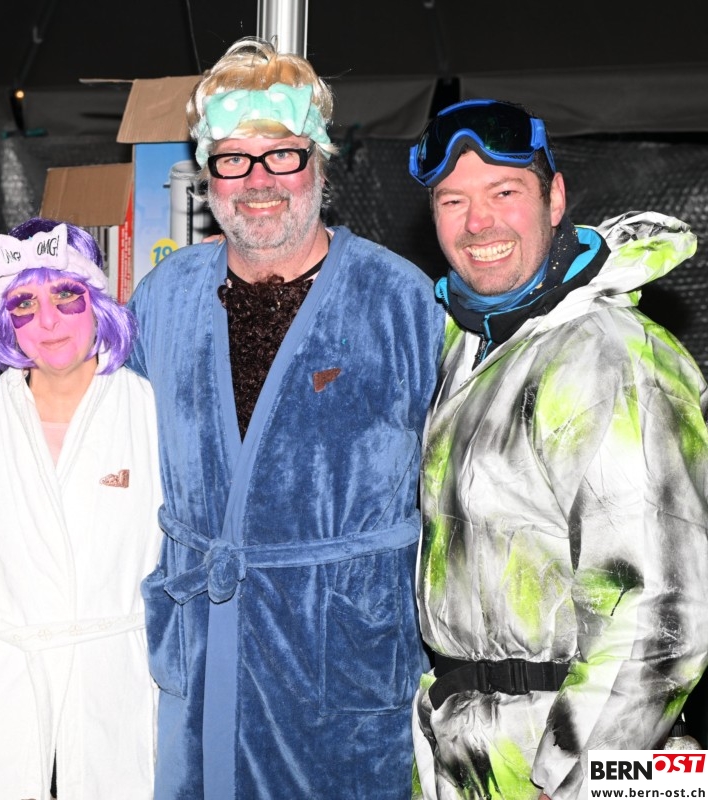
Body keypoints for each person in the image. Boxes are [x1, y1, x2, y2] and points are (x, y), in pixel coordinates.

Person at [127, 37, 446, 800]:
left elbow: (458, 499)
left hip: (341, 674)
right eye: (234, 159)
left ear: (320, 163)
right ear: (207, 173)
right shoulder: (165, 296)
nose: (259, 180)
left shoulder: (399, 301)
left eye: (282, 155)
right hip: (203, 663)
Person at [406, 98, 708, 800]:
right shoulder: (470, 346)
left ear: (555, 199)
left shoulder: (610, 357)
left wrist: (573, 776)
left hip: (578, 763)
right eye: (453, 201)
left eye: (504, 193)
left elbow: (663, 616)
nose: (478, 223)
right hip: (477, 757)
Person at [0, 218, 163, 800]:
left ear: (97, 299)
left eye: (66, 295)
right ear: (6, 319)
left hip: (114, 693)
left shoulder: (152, 412)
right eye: (24, 304)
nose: (49, 321)